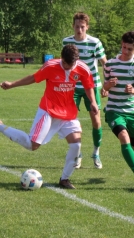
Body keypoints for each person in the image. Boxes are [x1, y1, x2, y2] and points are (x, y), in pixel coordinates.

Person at [0, 44, 98, 189]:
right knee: (32, 145)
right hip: (48, 111)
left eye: (71, 65)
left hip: (68, 113)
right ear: (61, 57)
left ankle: (64, 179)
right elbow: (33, 78)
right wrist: (12, 84)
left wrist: (93, 102)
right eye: (65, 63)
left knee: (76, 144)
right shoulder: (50, 66)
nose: (68, 67)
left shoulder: (82, 68)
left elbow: (89, 85)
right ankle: (1, 126)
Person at [103, 31, 134, 188]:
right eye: (123, 47)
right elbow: (104, 90)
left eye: (129, 49)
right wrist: (108, 86)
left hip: (132, 112)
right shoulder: (110, 64)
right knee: (123, 136)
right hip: (114, 110)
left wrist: (133, 90)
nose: (125, 51)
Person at [62, 12, 107, 169]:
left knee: (96, 120)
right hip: (72, 87)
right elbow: (64, 64)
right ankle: (77, 154)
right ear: (73, 26)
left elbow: (104, 63)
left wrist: (107, 85)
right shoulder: (66, 42)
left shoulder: (94, 43)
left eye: (82, 27)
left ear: (87, 27)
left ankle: (96, 153)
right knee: (70, 121)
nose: (79, 30)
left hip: (92, 86)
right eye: (77, 26)